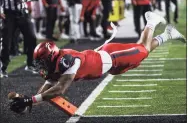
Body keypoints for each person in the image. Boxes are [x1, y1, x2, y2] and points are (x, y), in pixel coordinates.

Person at [8, 12, 185, 113]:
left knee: (143, 50)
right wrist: (28, 102)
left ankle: (152, 21)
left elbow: (60, 89)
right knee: (140, 52)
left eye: (43, 61)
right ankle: (168, 34)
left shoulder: (66, 61)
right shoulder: (54, 64)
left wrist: (31, 100)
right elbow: (46, 89)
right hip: (107, 65)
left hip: (113, 57)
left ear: (52, 57)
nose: (41, 65)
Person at [0, 0, 37, 78]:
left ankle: (30, 63)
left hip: (23, 13)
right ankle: (3, 68)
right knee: (6, 42)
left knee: (32, 37)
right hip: (8, 14)